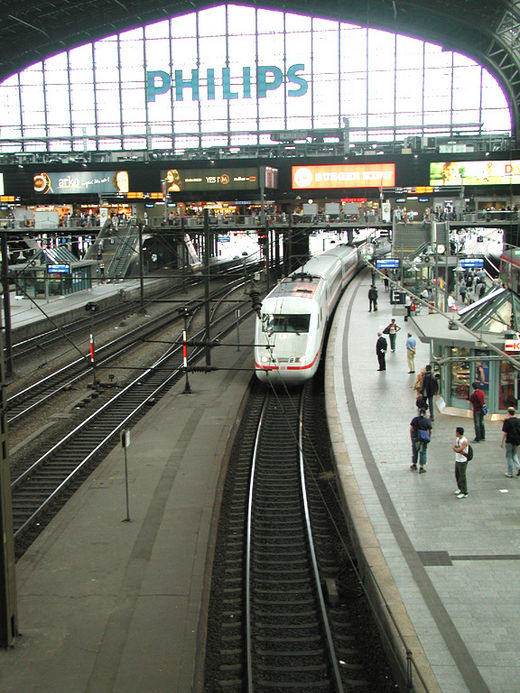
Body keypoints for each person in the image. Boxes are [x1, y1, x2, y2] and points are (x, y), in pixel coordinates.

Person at [410, 409, 432, 473]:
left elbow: (411, 429)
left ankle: (414, 464)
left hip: (416, 438)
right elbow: (430, 431)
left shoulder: (415, 419)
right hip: (423, 439)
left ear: (419, 413)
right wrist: (429, 437)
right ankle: (421, 467)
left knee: (415, 451)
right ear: (425, 414)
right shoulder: (427, 421)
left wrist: (411, 437)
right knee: (423, 452)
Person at [500, 406, 520, 477]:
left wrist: (502, 442)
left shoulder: (507, 421)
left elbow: (505, 433)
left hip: (509, 440)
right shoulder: (518, 420)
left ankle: (510, 472)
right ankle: (518, 467)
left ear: (508, 412)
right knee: (514, 454)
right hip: (517, 440)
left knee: (508, 456)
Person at [453, 426, 470, 498]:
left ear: (458, 432)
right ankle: (460, 488)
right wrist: (456, 448)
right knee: (457, 475)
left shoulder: (464, 441)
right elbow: (456, 447)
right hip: (457, 459)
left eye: (456, 432)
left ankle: (464, 492)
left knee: (462, 476)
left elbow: (458, 449)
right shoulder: (458, 439)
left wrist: (455, 449)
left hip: (463, 461)